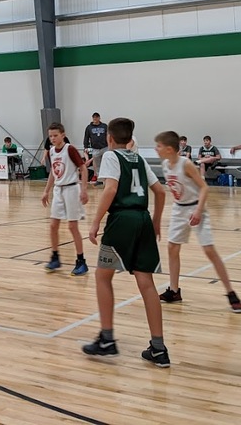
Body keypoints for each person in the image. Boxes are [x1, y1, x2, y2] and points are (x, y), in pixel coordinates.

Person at [83, 117, 169, 367]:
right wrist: (156, 221)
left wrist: (96, 221)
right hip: (143, 219)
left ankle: (107, 340)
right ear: (131, 139)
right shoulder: (139, 160)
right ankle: (158, 347)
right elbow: (160, 191)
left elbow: (110, 189)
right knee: (146, 282)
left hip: (122, 220)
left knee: (102, 277)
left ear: (109, 138)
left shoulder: (111, 157)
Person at [154, 131, 241, 313]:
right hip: (179, 208)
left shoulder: (185, 164)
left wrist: (197, 211)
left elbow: (204, 188)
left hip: (197, 207)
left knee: (209, 250)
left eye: (159, 146)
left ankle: (231, 293)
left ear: (169, 149)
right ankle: (174, 290)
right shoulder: (165, 165)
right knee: (172, 247)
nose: (156, 149)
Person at [41, 123, 90, 276]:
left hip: (71, 189)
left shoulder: (70, 149)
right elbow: (52, 173)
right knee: (53, 225)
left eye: (55, 135)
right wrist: (46, 191)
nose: (53, 138)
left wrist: (84, 190)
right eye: (50, 136)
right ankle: (55, 257)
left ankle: (81, 261)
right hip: (58, 190)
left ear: (63, 134)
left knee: (72, 227)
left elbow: (83, 168)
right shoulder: (51, 152)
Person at [83, 112, 108, 180]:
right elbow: (86, 137)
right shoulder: (89, 127)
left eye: (97, 117)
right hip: (95, 148)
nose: (95, 118)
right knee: (96, 164)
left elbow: (108, 135)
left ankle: (106, 176)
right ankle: (98, 176)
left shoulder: (104, 126)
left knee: (106, 161)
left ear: (99, 118)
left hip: (105, 147)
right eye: (94, 117)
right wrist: (86, 146)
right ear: (92, 118)